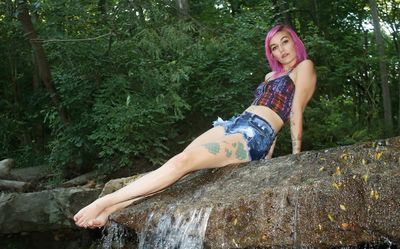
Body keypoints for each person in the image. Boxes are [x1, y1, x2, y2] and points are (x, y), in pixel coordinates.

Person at [73, 24, 317, 229]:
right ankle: (114, 209)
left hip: (255, 135)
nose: (281, 50)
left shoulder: (304, 68)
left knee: (182, 164)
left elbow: (294, 111)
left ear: (294, 41)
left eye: (284, 42)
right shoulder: (269, 77)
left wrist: (295, 157)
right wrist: (268, 158)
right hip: (235, 124)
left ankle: (104, 202)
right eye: (274, 47)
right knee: (182, 163)